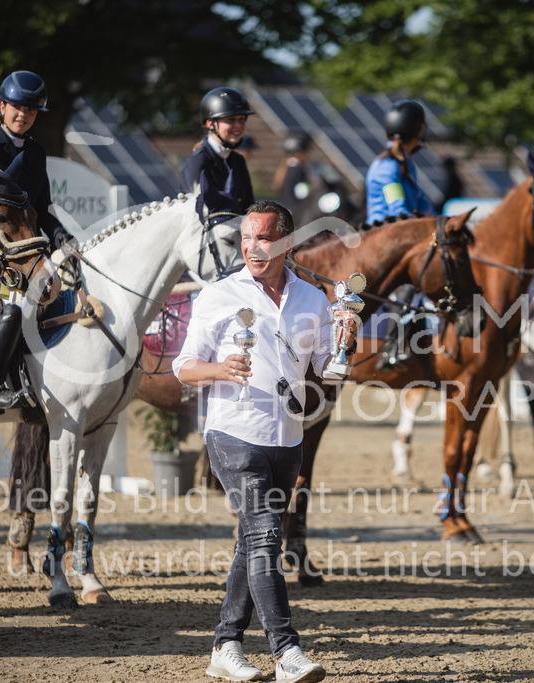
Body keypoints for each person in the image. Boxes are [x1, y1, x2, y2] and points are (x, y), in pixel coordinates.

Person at [174, 201, 355, 683]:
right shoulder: (218, 295)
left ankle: (225, 645)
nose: (254, 247)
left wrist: (344, 342)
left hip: (288, 438)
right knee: (266, 537)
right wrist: (218, 369)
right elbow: (184, 366)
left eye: (264, 239)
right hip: (234, 434)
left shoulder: (314, 299)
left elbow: (325, 371)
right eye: (247, 239)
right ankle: (287, 651)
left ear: (286, 243)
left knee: (253, 541)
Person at [0, 69, 72, 415]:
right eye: (16, 108)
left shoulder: (37, 153)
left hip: (25, 251)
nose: (23, 115)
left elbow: (42, 209)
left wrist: (62, 237)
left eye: (30, 111)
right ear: (2, 107)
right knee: (18, 303)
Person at [179, 86, 256, 226]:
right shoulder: (197, 162)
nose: (238, 125)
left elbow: (248, 208)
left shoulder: (238, 161)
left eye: (241, 119)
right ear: (210, 124)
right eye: (231, 120)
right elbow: (194, 215)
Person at [365, 99, 434, 224]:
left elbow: (422, 205)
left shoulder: (405, 163)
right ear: (418, 131)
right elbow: (397, 210)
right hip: (383, 234)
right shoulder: (387, 168)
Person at [274, 132, 315, 216]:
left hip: (287, 210)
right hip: (297, 213)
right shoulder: (298, 170)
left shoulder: (287, 168)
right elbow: (302, 192)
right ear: (299, 152)